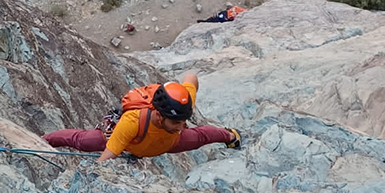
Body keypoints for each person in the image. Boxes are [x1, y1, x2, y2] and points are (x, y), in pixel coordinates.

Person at [43, 72, 241, 163]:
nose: (182, 127)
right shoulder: (132, 122)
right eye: (175, 122)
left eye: (183, 122)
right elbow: (106, 157)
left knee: (201, 136)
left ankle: (231, 136)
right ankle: (43, 141)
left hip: (166, 143)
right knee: (83, 141)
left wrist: (183, 87)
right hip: (131, 142)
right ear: (158, 114)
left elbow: (191, 77)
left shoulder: (181, 103)